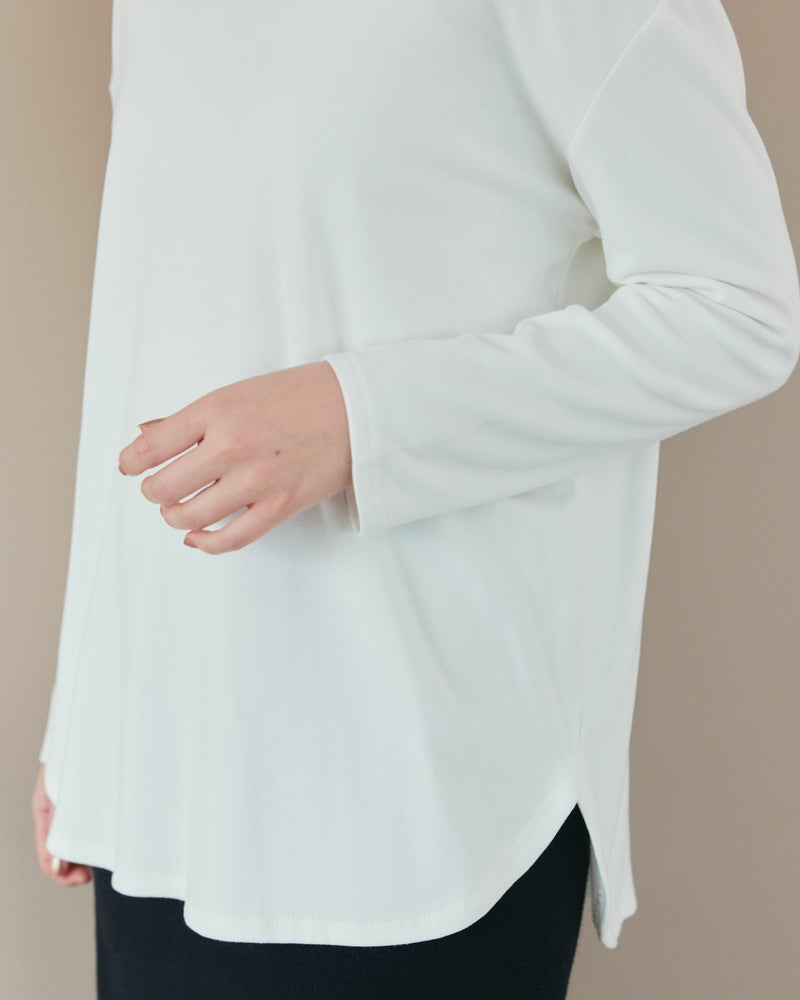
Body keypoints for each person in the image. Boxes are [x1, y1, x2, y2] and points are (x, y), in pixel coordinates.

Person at [31, 0, 799, 997]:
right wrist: (84, 719)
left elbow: (736, 309)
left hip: (425, 810)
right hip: (162, 782)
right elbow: (148, 324)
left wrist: (361, 418)